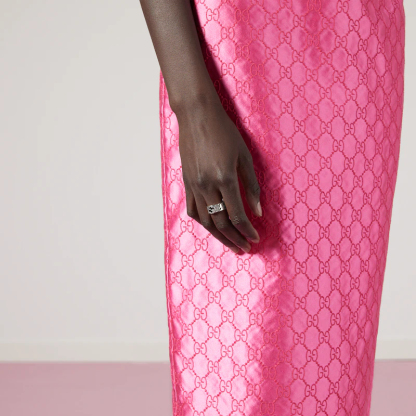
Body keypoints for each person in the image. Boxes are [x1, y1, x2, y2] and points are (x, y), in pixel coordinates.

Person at [139, 1, 405, 415]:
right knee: (241, 351)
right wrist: (193, 107)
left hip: (360, 41)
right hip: (238, 49)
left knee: (332, 345)